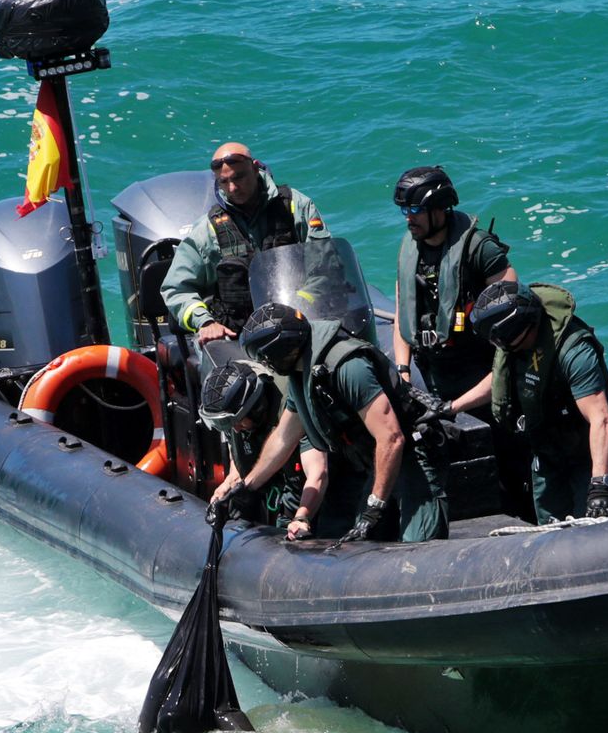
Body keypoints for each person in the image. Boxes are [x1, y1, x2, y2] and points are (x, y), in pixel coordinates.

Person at [210, 303, 447, 544]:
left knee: (417, 544)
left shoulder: (347, 367)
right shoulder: (301, 373)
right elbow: (284, 437)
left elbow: (392, 438)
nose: (265, 363)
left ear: (281, 350)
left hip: (411, 457)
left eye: (264, 356)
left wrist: (374, 507)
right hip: (374, 461)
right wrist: (246, 488)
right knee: (364, 543)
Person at [389, 164, 529, 516]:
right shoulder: (411, 250)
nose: (409, 219)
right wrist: (403, 372)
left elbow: (513, 330)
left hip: (484, 375)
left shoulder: (480, 251)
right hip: (435, 376)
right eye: (405, 211)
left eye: (416, 210)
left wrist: (464, 401)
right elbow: (403, 314)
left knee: (511, 465)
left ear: (440, 208)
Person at [465, 281, 608, 524]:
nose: (495, 345)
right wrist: (451, 407)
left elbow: (601, 419)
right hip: (548, 451)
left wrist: (600, 486)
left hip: (585, 453)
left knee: (591, 526)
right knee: (551, 527)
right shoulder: (517, 349)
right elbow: (498, 380)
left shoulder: (574, 351)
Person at [160, 142, 332, 349]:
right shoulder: (207, 230)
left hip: (304, 322)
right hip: (239, 338)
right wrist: (205, 321)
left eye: (238, 177)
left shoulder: (296, 207)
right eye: (224, 182)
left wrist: (303, 301)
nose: (232, 188)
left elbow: (325, 264)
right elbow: (176, 288)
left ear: (255, 167)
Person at [198, 359, 314, 532]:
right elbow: (236, 450)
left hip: (310, 494)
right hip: (267, 491)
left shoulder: (290, 409)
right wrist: (230, 483)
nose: (235, 429)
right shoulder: (233, 419)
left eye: (236, 422)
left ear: (256, 408)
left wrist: (301, 517)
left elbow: (318, 474)